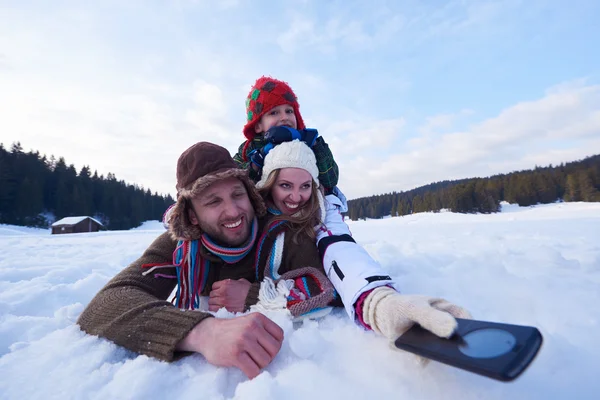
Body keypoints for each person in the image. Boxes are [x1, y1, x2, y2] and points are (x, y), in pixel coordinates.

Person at [77, 141, 339, 379]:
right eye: (213, 201)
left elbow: (324, 287)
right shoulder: (181, 246)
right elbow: (107, 302)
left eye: (238, 195)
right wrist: (202, 332)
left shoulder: (283, 233)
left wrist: (255, 295)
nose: (233, 211)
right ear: (192, 216)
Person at [229, 139, 472, 342]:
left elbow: (337, 263)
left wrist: (379, 303)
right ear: (269, 184)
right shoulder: (251, 217)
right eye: (285, 186)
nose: (296, 196)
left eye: (305, 186)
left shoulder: (312, 227)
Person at [232, 76, 340, 197]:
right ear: (258, 126)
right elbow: (234, 178)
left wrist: (315, 146)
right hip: (265, 211)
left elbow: (331, 180)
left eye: (289, 111)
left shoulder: (307, 145)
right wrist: (257, 161)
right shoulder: (249, 149)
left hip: (301, 207)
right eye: (274, 113)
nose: (284, 117)